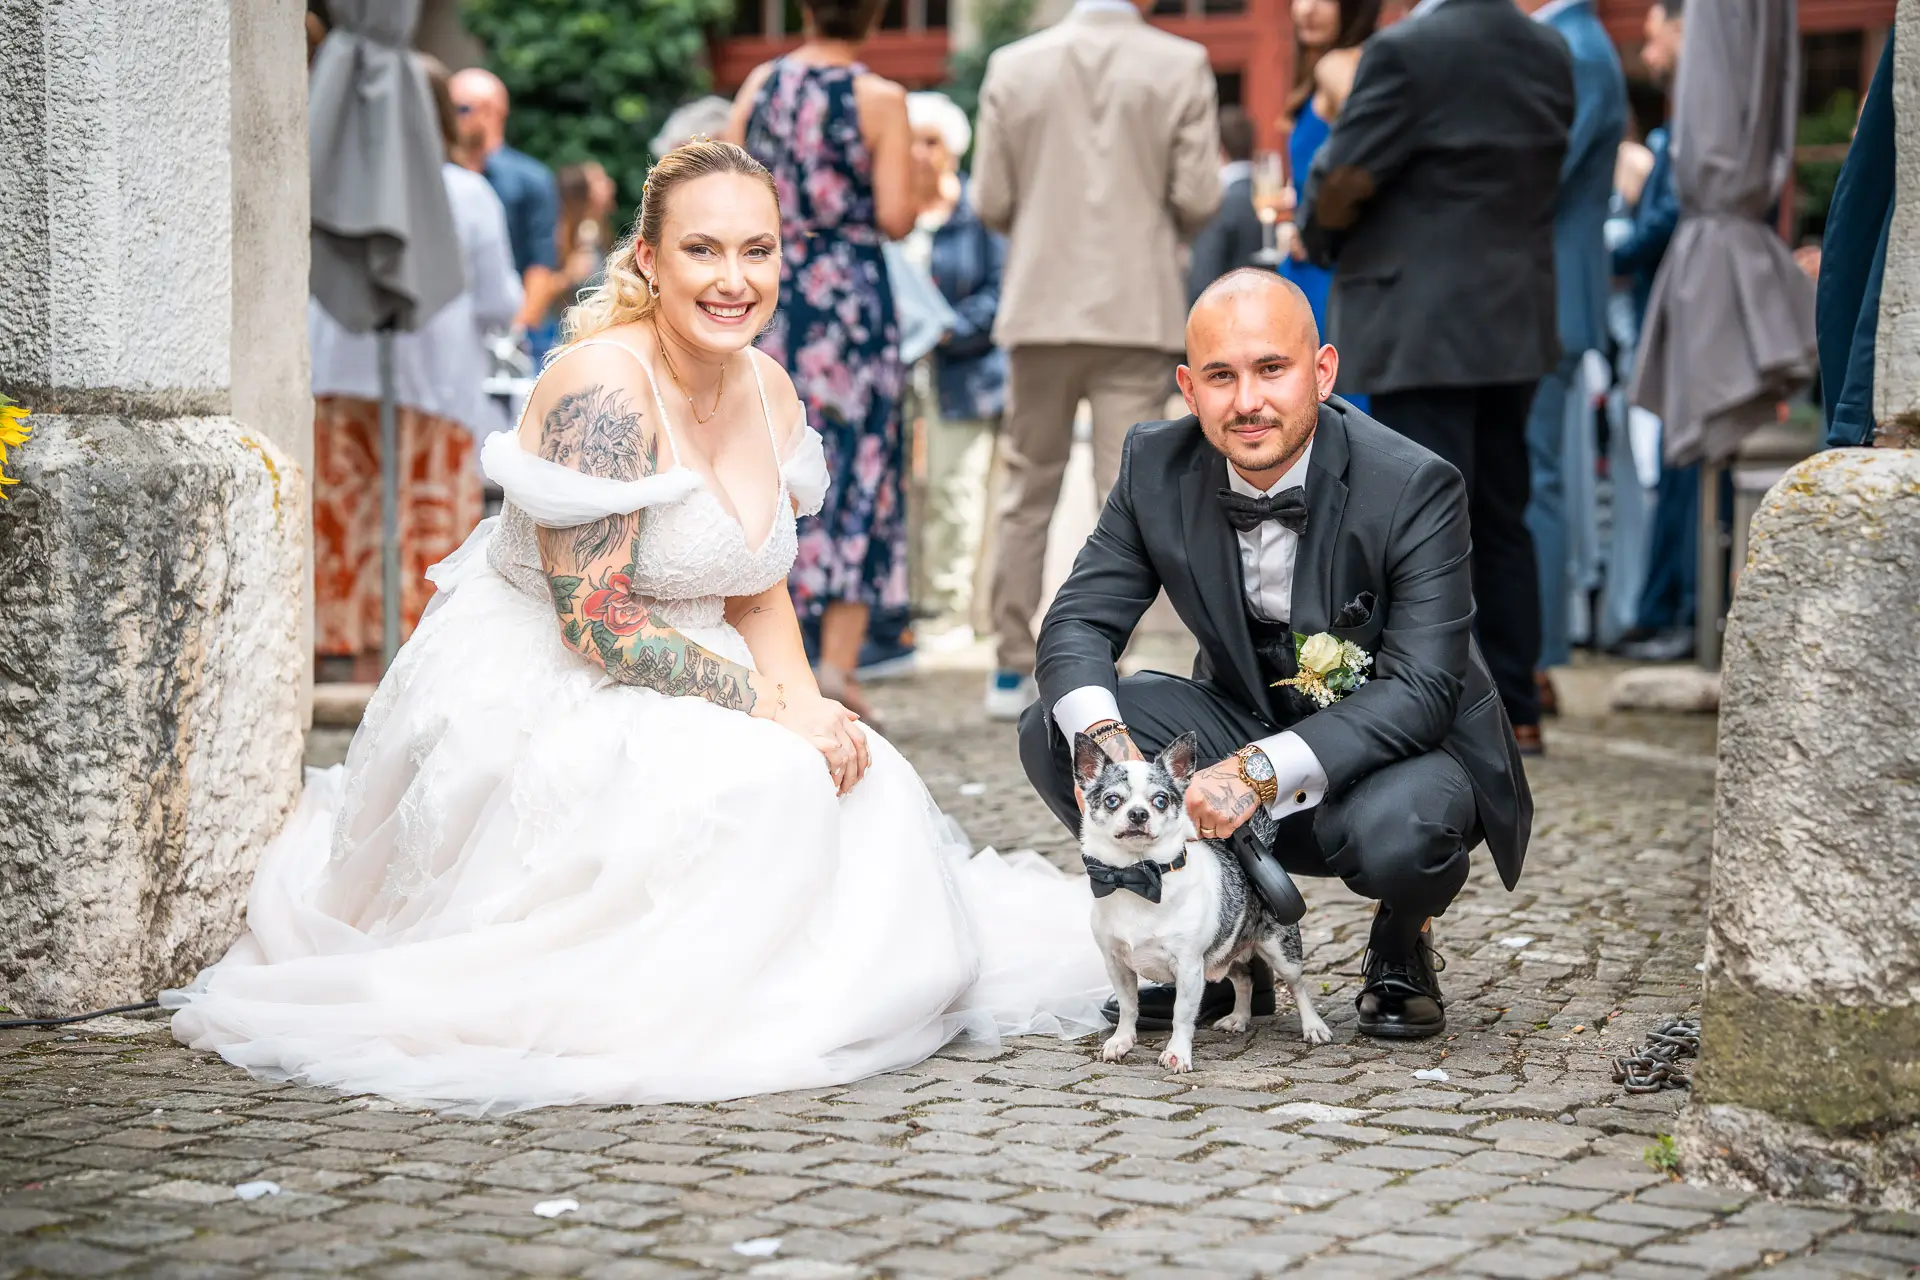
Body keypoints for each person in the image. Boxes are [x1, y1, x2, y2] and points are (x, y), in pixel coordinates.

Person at [166, 142, 1109, 1113]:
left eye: (759, 250)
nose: (734, 279)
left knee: (865, 777)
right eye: (704, 250)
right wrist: (769, 711)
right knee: (762, 784)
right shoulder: (601, 391)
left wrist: (808, 700)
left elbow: (754, 587)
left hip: (711, 655)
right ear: (650, 260)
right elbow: (600, 622)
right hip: (560, 675)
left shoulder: (771, 388)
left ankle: (830, 981)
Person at [1021, 270, 1530, 1041]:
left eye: (1271, 369)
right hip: (1238, 712)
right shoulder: (1154, 465)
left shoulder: (1414, 484)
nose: (1247, 401)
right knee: (1052, 729)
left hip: (1392, 747)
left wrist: (1258, 772)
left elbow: (1424, 686)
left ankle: (1400, 943)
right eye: (1221, 376)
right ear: (1189, 389)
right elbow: (1076, 623)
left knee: (1413, 831)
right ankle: (1222, 947)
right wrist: (1110, 744)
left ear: (1322, 372)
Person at [1296, 0, 1573, 754]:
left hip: (1420, 316)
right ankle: (1516, 705)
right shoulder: (1547, 50)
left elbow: (1346, 174)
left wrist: (1315, 234)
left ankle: (1435, 706)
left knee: (1418, 523)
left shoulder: (1405, 50)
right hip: (1514, 313)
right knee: (1501, 514)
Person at [970, 0, 1221, 720]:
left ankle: (1013, 664)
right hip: (1134, 304)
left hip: (1040, 303)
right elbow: (1199, 193)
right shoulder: (1181, 63)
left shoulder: (1013, 66)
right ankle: (1101, 660)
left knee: (1027, 486)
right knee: (1127, 492)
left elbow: (990, 197)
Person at [729, 0, 916, 727]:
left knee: (770, 456)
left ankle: (772, 650)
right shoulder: (881, 99)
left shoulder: (759, 87)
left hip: (776, 296)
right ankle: (835, 666)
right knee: (859, 468)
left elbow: (725, 182)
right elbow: (897, 215)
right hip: (852, 310)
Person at [308, 54, 522, 680]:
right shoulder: (466, 193)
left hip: (338, 383)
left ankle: (341, 668)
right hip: (433, 390)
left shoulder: (333, 183)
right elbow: (498, 304)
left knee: (346, 538)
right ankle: (400, 678)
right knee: (418, 549)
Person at [1521, 0, 1628, 709]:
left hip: (1546, 292)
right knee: (1534, 476)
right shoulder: (1575, 41)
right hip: (1549, 289)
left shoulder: (1576, 49)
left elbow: (1540, 175)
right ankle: (1532, 659)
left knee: (1533, 480)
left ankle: (1533, 661)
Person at [906, 90, 1009, 639]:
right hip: (899, 375)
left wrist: (947, 328)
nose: (919, 153)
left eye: (932, 142)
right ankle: (905, 604)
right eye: (912, 142)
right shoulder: (891, 215)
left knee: (954, 491)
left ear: (953, 150)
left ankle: (949, 610)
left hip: (965, 374)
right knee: (900, 493)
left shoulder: (979, 212)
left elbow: (1001, 294)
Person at [1613, 0, 1696, 662]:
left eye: (1651, 37)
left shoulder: (1686, 126)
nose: (1647, 53)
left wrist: (1610, 254)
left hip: (1677, 319)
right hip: (1665, 318)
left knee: (1674, 468)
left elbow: (1661, 224)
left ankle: (1673, 610)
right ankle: (1661, 607)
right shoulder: (1679, 122)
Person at [1279, 0, 1381, 421]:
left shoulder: (1340, 64)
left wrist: (1319, 221)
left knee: (1337, 411)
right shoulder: (1317, 67)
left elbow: (1369, 148)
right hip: (1313, 268)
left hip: (1330, 270)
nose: (1307, 8)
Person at [449, 69, 565, 363]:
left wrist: (514, 335)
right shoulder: (440, 174)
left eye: (460, 108)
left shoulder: (529, 179)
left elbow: (541, 263)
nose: (449, 118)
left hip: (511, 332)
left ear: (494, 111)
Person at [1187, 107, 1266, 307]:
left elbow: (1202, 282)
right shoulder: (1271, 197)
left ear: (1219, 149)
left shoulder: (1218, 205)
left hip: (1227, 317)